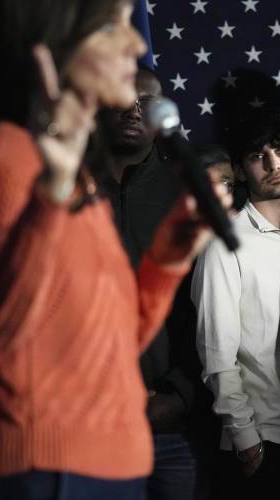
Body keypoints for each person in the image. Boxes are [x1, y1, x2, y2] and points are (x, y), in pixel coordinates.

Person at [0, 1, 229, 498]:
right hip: (51, 466)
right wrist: (53, 194)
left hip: (113, 463)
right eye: (112, 25)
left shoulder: (80, 177)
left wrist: (168, 256)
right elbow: (7, 333)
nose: (137, 44)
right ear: (55, 42)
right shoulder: (6, 158)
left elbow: (113, 341)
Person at [192, 111, 280, 499]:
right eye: (258, 156)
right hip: (261, 441)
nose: (273, 163)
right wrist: (244, 437)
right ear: (239, 170)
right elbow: (216, 352)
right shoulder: (224, 245)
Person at [99, 66, 199, 500]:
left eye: (148, 102)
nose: (134, 111)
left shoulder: (190, 192)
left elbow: (210, 306)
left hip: (171, 422)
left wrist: (181, 392)